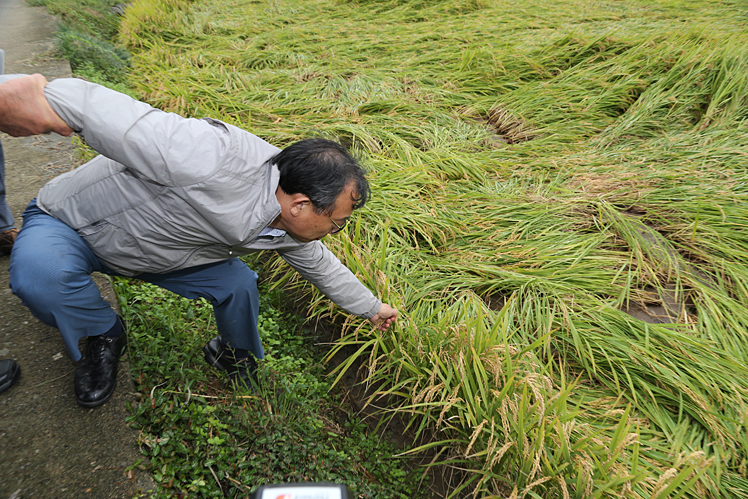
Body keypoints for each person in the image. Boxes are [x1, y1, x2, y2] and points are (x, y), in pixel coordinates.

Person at [0, 74, 398, 408]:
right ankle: (103, 332)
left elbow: (319, 264)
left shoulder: (288, 223)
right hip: (77, 225)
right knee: (40, 276)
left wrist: (370, 306)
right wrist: (44, 97)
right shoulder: (213, 157)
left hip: (162, 256)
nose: (334, 231)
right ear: (302, 205)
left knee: (238, 285)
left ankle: (234, 354)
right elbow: (128, 122)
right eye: (337, 223)